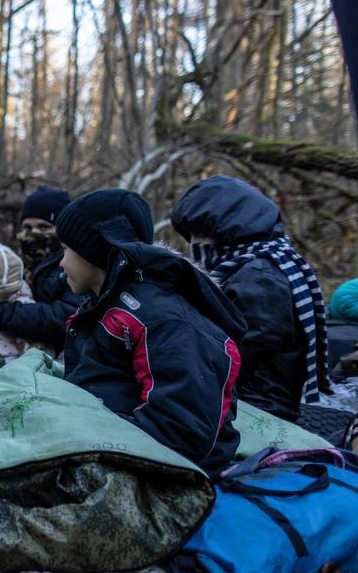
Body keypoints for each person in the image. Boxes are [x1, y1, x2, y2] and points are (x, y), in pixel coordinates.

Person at [54, 189, 247, 473]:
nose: (60, 263)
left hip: (155, 470)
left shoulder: (163, 320)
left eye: (65, 250)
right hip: (107, 448)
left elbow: (181, 433)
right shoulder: (106, 305)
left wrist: (81, 434)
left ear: (91, 252)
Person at [170, 176, 328, 421]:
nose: (195, 245)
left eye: (201, 235)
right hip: (252, 402)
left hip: (259, 409)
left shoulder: (260, 276)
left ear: (231, 230)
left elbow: (233, 351)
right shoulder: (262, 264)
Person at [0, 185, 83, 353]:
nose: (33, 234)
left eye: (44, 227)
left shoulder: (76, 265)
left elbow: (64, 317)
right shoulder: (12, 263)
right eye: (27, 228)